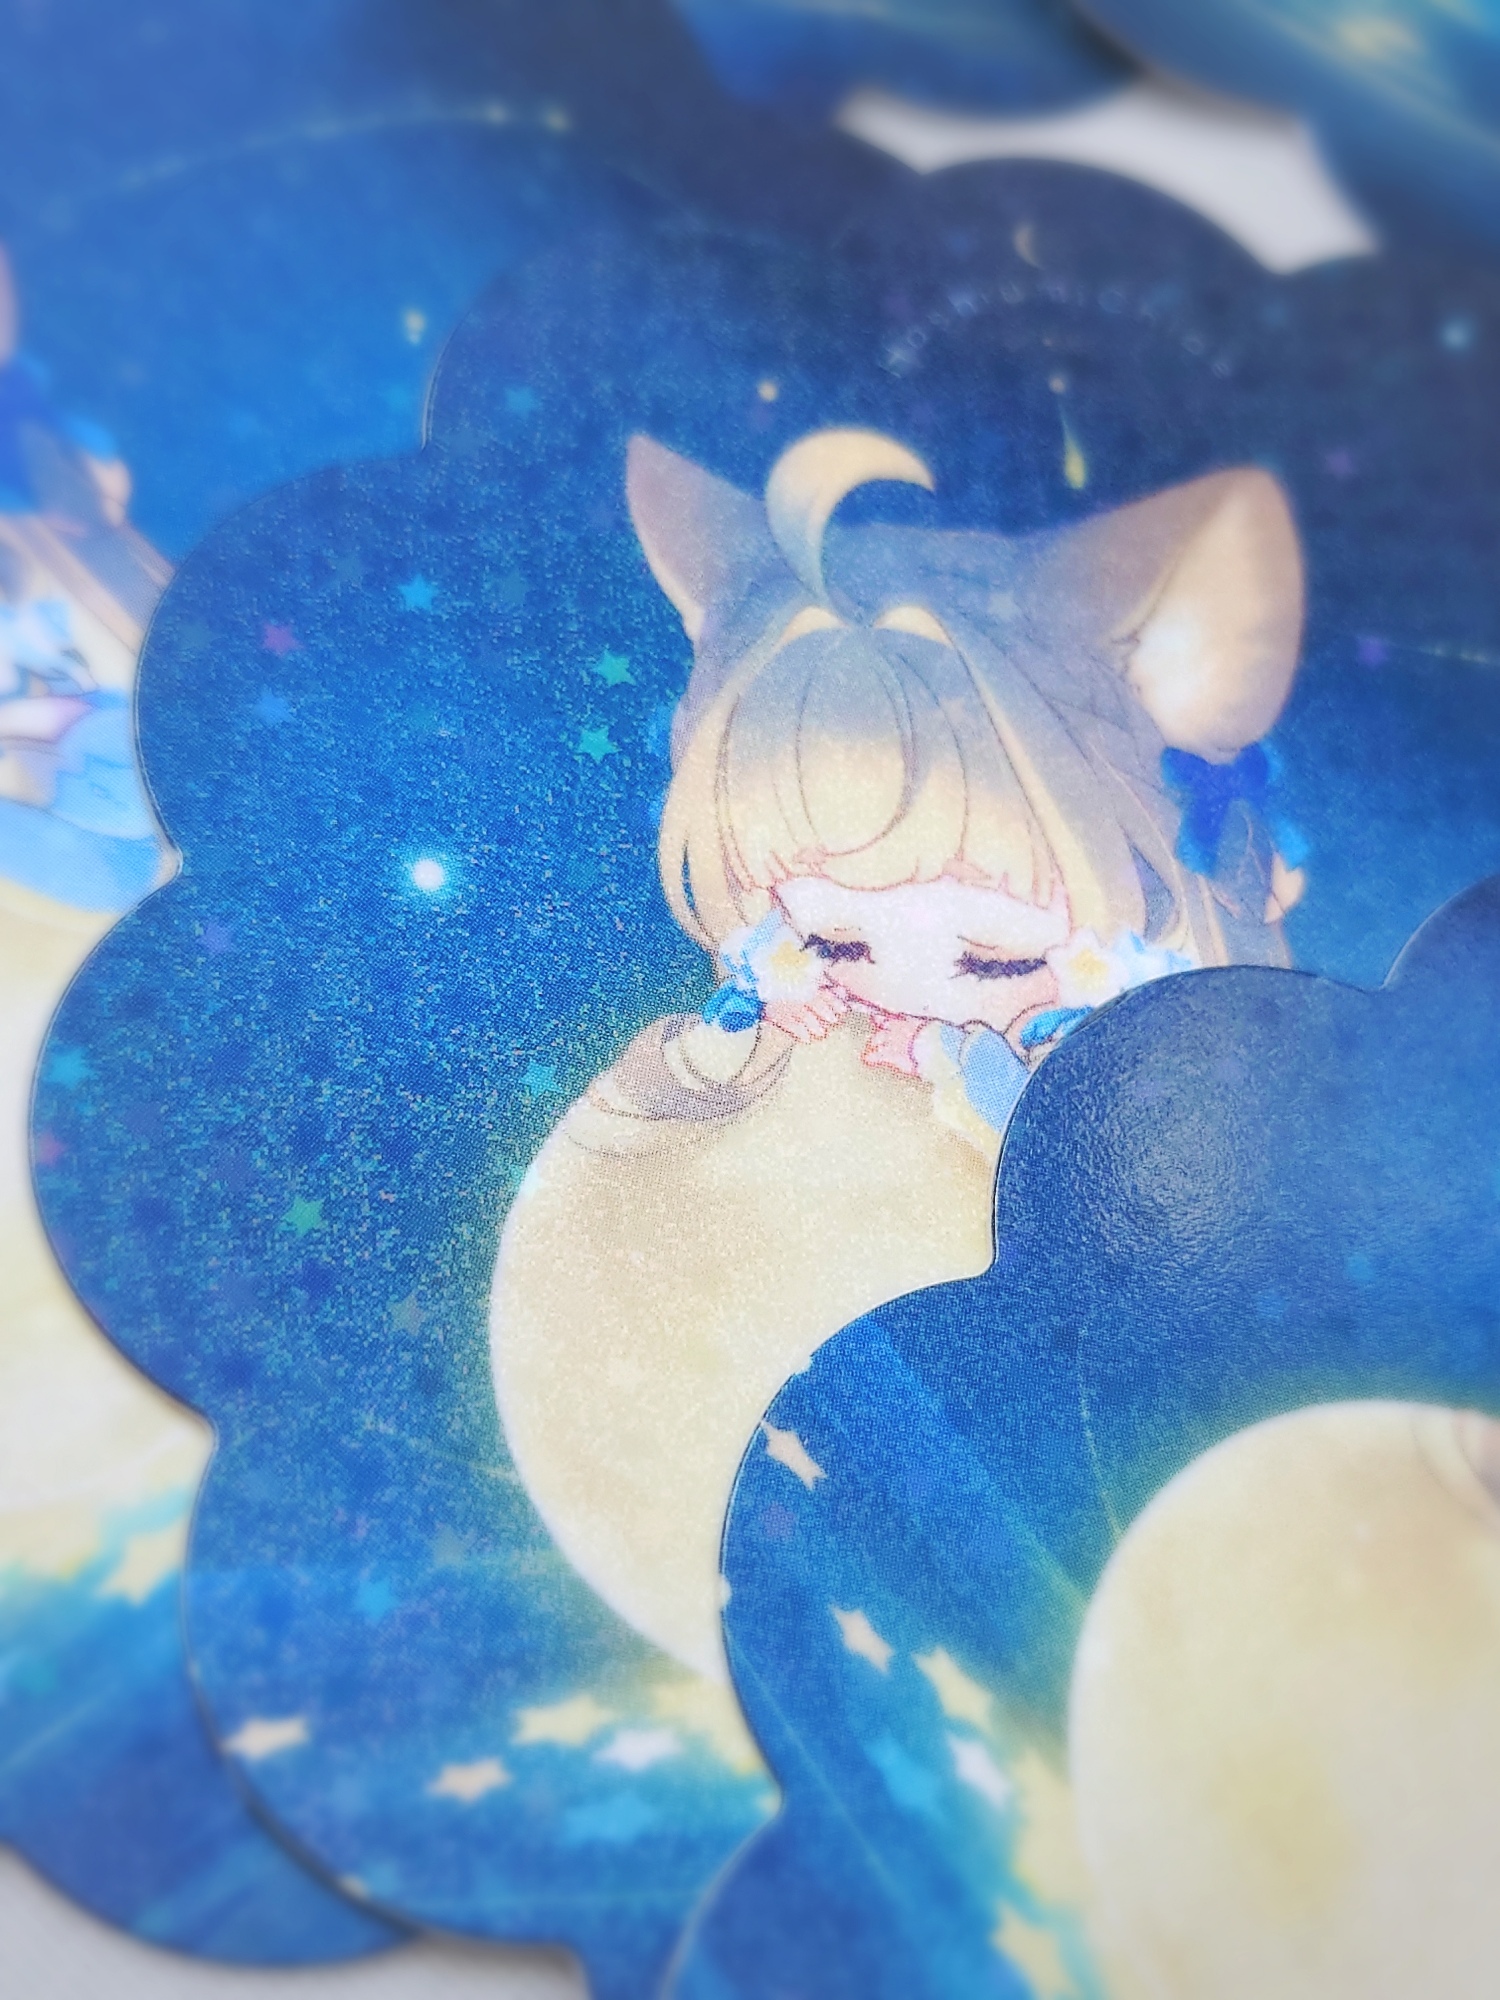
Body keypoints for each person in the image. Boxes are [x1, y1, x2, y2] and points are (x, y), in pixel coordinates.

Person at [490, 425, 1306, 1679]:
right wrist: (740, 1043)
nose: (912, 989)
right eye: (834, 935)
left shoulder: (1148, 1091)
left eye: (992, 956)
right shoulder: (801, 1037)